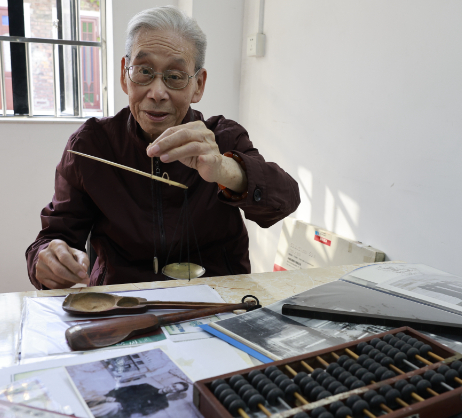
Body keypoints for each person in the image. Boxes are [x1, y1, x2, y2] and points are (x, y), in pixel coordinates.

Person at [26, 6, 300, 289]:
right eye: (144, 71)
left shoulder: (223, 138)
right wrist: (47, 261)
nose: (157, 93)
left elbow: (286, 199)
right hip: (124, 308)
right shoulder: (92, 145)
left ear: (198, 85)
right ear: (124, 75)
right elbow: (52, 238)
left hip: (218, 307)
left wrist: (224, 169)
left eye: (175, 76)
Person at [87, 382, 189, 418]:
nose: (171, 388)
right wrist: (110, 396)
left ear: (176, 392)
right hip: (112, 398)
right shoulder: (146, 386)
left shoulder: (162, 403)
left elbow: (141, 411)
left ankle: (82, 415)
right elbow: (123, 389)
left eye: (175, 389)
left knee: (112, 406)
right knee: (93, 396)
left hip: (120, 409)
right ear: (171, 384)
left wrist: (118, 402)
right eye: (174, 385)